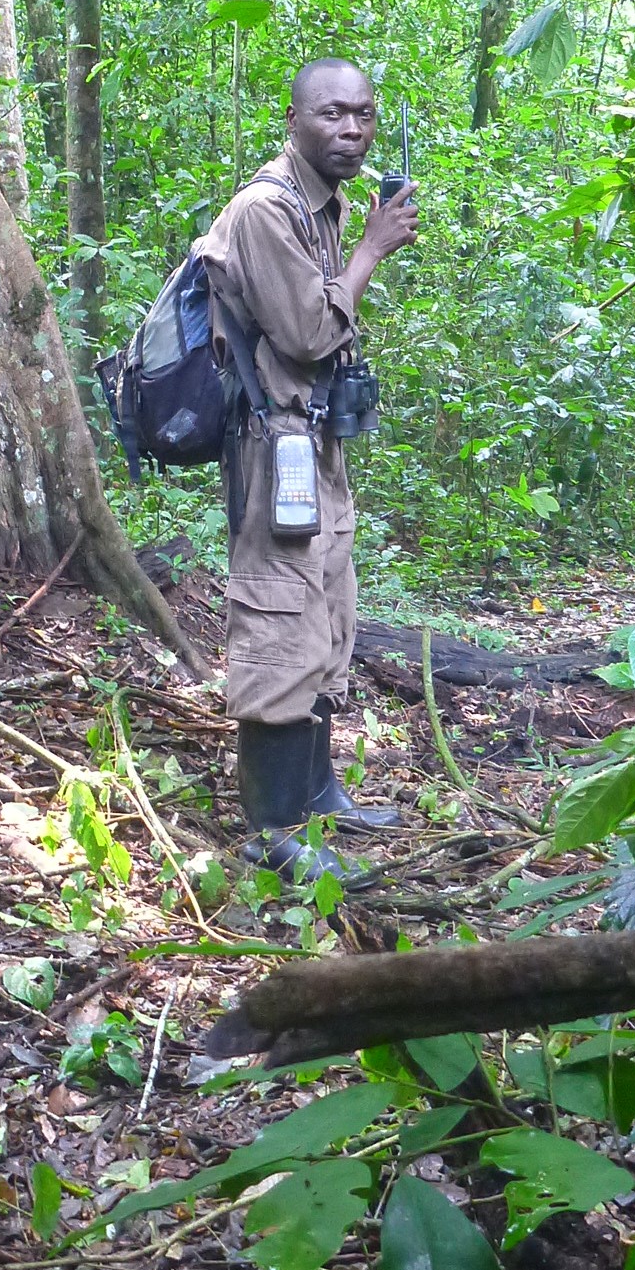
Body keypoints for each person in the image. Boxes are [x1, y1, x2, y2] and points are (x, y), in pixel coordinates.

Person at [195, 59, 419, 876]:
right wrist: (370, 251)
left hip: (314, 442)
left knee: (326, 611)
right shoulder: (264, 210)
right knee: (280, 615)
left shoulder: (318, 205)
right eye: (331, 114)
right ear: (293, 119)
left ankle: (319, 796)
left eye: (362, 115)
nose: (351, 130)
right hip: (271, 446)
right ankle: (272, 829)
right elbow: (307, 334)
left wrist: (354, 241)